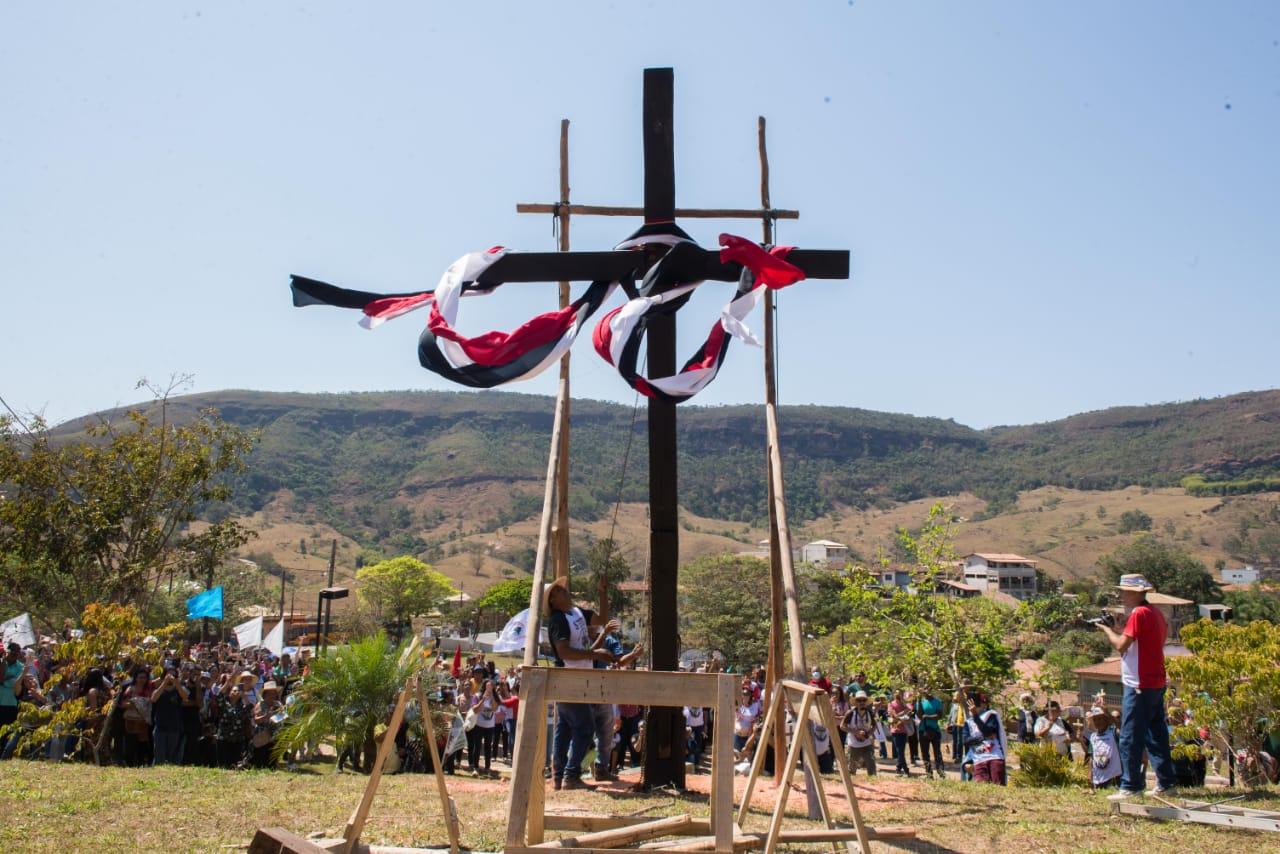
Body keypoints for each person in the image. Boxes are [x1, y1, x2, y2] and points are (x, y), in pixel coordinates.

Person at [1097, 573, 1177, 800]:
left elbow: (1122, 646)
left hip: (1139, 683)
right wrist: (1118, 628)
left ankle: (1131, 786)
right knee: (1156, 735)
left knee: (1130, 737)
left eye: (1124, 591)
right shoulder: (1156, 613)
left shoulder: (1138, 613)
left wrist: (1106, 630)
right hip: (1155, 681)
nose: (1121, 595)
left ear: (1135, 593)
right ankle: (1166, 783)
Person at [545, 575, 616, 790]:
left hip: (578, 677)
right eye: (559, 591)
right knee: (585, 727)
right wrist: (595, 654)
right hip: (569, 677)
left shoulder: (576, 613)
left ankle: (559, 775)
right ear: (553, 600)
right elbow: (564, 652)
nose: (565, 591)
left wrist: (602, 593)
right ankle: (571, 775)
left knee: (565, 727)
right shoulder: (558, 620)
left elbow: (602, 619)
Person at [963, 691, 1007, 785]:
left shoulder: (991, 715)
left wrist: (976, 716)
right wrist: (983, 737)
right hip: (978, 759)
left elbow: (989, 731)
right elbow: (966, 741)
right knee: (981, 788)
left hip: (994, 757)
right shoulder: (968, 722)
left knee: (998, 786)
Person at [149, 664, 188, 765]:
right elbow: (153, 699)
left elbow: (185, 697)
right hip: (160, 727)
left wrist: (177, 683)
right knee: (159, 756)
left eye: (173, 675)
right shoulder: (159, 689)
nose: (170, 677)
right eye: (168, 674)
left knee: (172, 756)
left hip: (175, 727)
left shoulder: (178, 690)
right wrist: (164, 683)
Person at [1086, 705, 1122, 789]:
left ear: (1106, 720)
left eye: (1100, 719)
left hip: (1113, 778)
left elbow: (1120, 726)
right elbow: (1091, 757)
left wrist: (1107, 712)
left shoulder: (1113, 732)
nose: (1097, 722)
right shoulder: (1093, 736)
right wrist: (1090, 775)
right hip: (1098, 778)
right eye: (1095, 719)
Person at [842, 690, 877, 776]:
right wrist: (856, 732)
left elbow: (874, 726)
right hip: (853, 744)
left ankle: (873, 780)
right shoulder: (850, 713)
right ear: (856, 702)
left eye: (864, 700)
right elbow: (842, 726)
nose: (862, 702)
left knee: (871, 764)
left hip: (867, 743)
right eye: (859, 700)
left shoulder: (870, 713)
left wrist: (868, 734)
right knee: (852, 769)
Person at [0, 643, 24, 760]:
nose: (15, 654)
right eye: (12, 652)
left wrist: (5, 680)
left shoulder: (20, 667)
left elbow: (14, 683)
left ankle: (4, 756)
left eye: (17, 652)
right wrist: (7, 678)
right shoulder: (1, 663)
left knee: (7, 732)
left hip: (10, 703)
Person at [915, 687, 945, 778]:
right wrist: (919, 700)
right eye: (925, 690)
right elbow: (919, 716)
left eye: (928, 689)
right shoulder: (921, 702)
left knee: (937, 752)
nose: (926, 691)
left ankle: (941, 771)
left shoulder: (937, 702)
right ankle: (929, 773)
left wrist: (927, 716)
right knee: (925, 753)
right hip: (923, 730)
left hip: (935, 730)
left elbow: (939, 716)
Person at [887, 690, 911, 776]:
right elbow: (892, 717)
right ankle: (906, 769)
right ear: (894, 695)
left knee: (901, 751)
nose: (898, 695)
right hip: (895, 730)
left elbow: (909, 715)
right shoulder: (891, 704)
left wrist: (900, 716)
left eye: (900, 694)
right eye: (896, 694)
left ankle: (898, 768)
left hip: (903, 731)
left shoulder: (905, 704)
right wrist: (903, 714)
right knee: (899, 751)